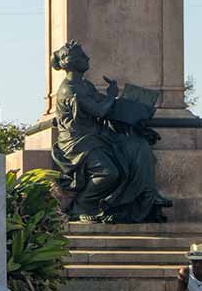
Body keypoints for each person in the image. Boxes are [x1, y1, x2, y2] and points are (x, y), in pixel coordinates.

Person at [49, 40, 171, 223]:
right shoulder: (70, 90)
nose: (87, 58)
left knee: (137, 146)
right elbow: (99, 110)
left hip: (97, 136)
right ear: (72, 62)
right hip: (79, 142)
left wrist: (131, 110)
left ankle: (147, 194)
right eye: (83, 55)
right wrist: (112, 95)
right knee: (108, 172)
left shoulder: (86, 86)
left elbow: (104, 105)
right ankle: (82, 205)